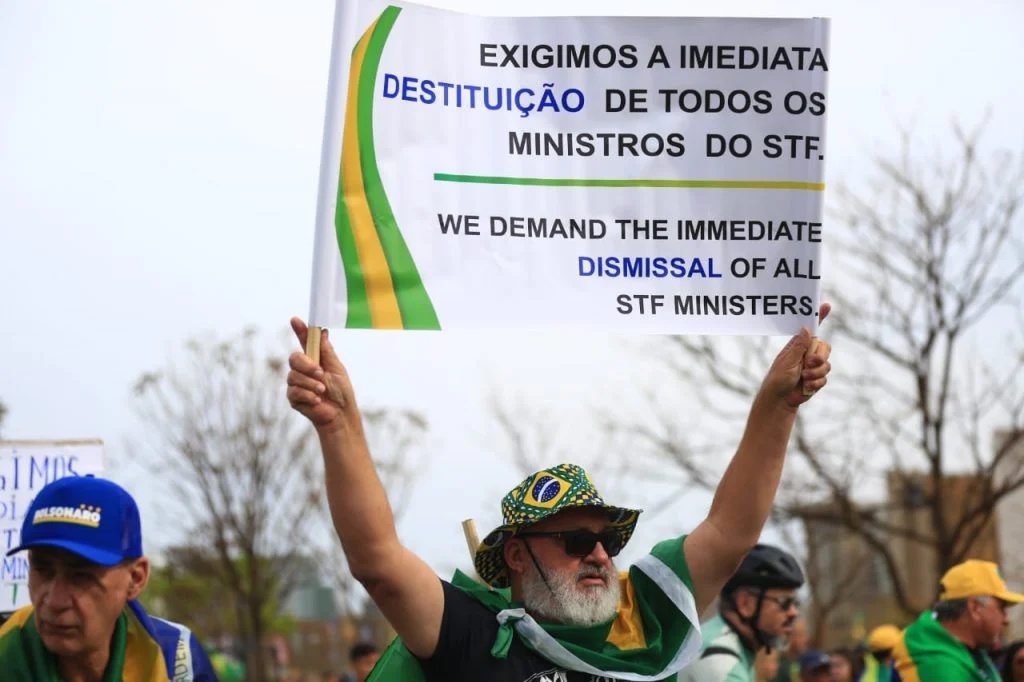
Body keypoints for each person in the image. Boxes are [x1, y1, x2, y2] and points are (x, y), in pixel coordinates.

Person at [285, 310, 832, 681]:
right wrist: (339, 426)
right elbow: (378, 562)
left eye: (607, 540)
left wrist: (777, 405)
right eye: (575, 540)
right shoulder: (478, 635)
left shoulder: (645, 610)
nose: (599, 554)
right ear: (517, 555)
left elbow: (731, 531)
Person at [0, 474, 218, 681]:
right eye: (43, 570)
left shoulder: (176, 661)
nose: (55, 602)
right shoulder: (6, 652)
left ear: (136, 578)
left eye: (81, 577)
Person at [678, 544, 805, 682]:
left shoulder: (730, 644)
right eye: (784, 602)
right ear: (745, 604)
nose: (794, 612)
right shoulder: (720, 661)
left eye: (795, 603)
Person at [892, 559, 1023, 681]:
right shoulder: (940, 670)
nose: (1006, 619)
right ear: (975, 608)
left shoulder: (956, 650)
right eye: (1001, 608)